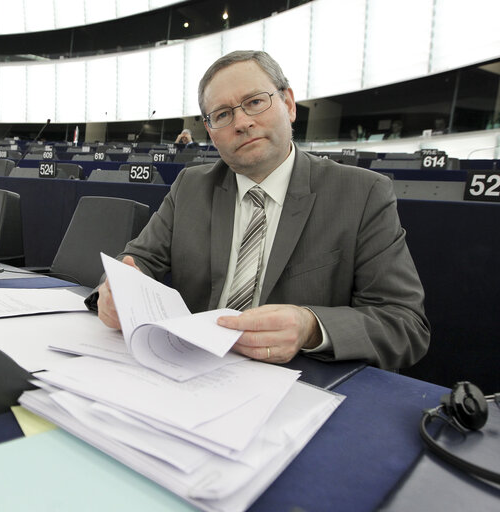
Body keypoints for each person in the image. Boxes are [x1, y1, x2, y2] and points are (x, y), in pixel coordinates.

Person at [94, 50, 429, 370]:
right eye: (223, 114)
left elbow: (404, 324)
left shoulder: (362, 194)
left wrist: (310, 327)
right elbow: (138, 263)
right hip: (189, 370)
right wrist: (117, 292)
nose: (242, 122)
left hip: (301, 383)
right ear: (210, 132)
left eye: (254, 102)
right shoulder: (190, 187)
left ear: (289, 104)